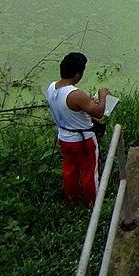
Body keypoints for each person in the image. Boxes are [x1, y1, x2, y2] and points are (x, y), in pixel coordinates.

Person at [45, 51, 109, 207]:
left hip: (64, 137)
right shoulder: (76, 94)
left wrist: (87, 103)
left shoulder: (51, 87)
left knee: (69, 170)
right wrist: (103, 96)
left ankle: (71, 201)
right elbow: (99, 113)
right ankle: (93, 205)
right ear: (77, 74)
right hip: (83, 140)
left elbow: (72, 109)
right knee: (89, 173)